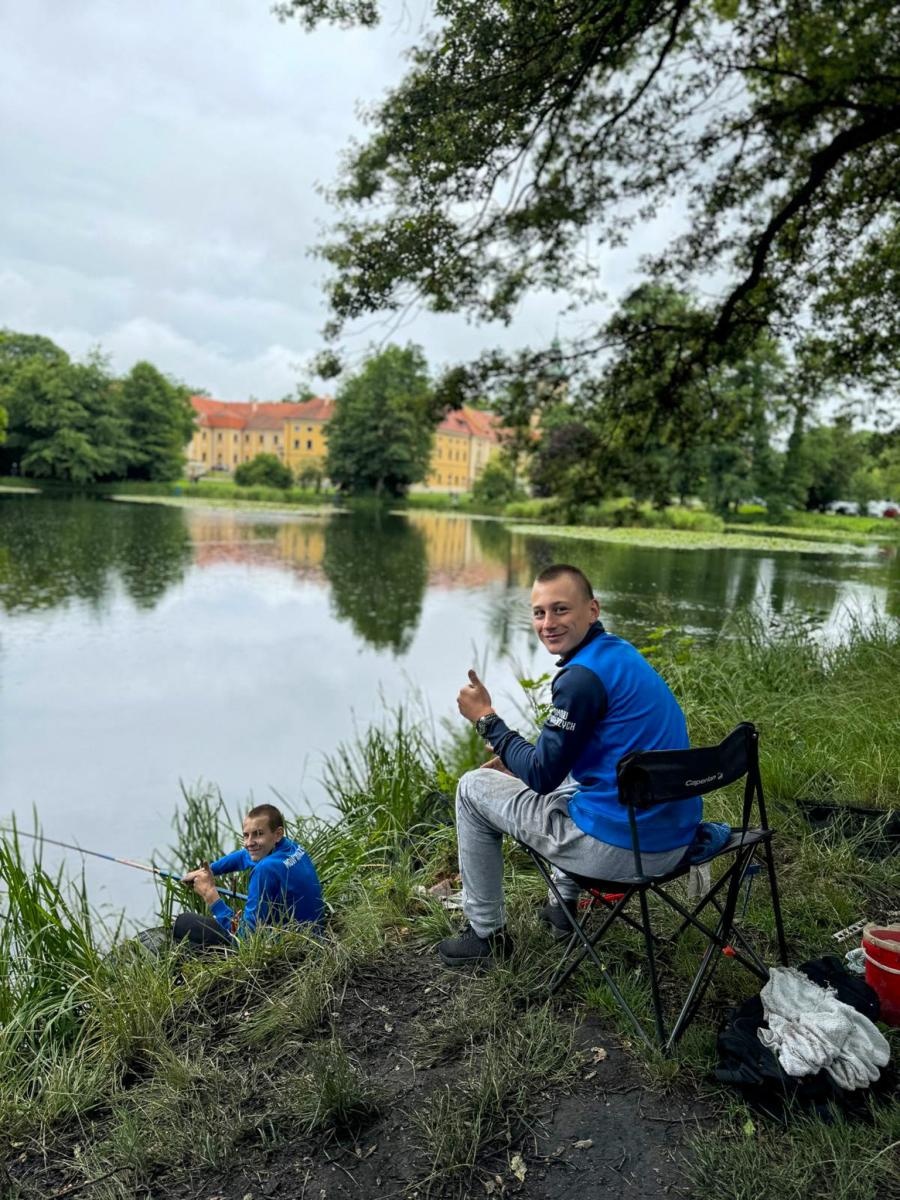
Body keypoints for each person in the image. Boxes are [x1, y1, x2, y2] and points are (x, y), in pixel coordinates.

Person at [437, 563, 701, 968]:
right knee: (577, 788)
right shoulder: (619, 655)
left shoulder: (580, 680)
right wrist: (516, 760)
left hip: (627, 851)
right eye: (539, 612)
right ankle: (562, 910)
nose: (547, 623)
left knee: (473, 788)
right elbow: (567, 759)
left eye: (561, 610)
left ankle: (484, 937)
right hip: (674, 836)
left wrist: (487, 720)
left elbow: (542, 777)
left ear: (592, 610)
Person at [177, 803, 324, 948]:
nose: (249, 843)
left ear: (277, 834)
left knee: (184, 922)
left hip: (290, 949)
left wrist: (210, 894)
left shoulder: (265, 869)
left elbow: (245, 940)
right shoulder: (292, 848)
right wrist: (208, 871)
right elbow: (243, 856)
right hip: (314, 936)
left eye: (258, 834)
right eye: (246, 835)